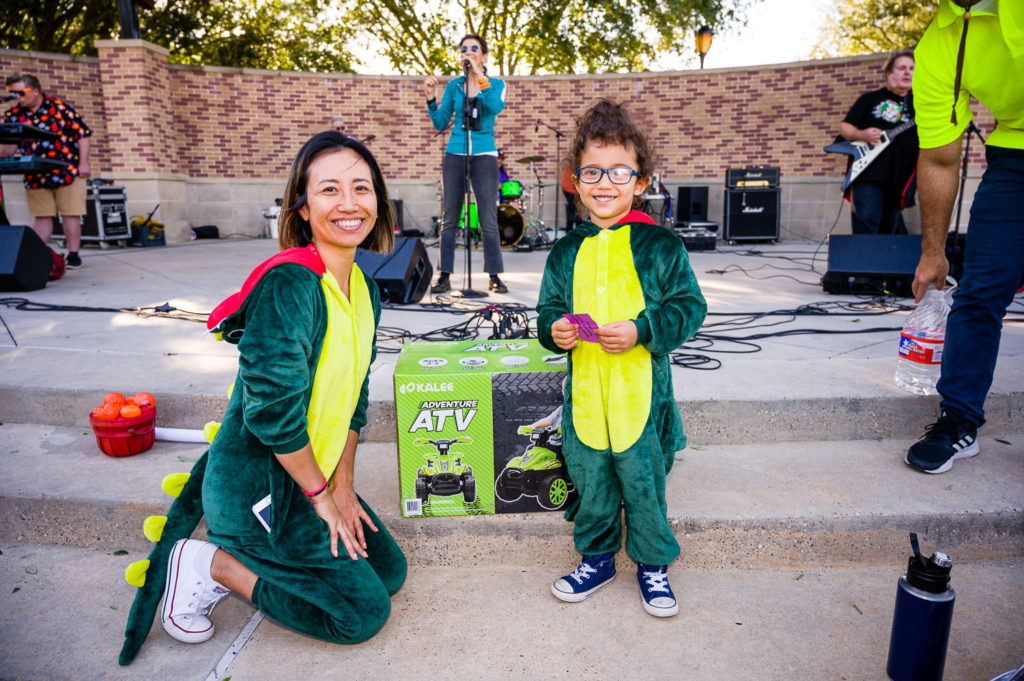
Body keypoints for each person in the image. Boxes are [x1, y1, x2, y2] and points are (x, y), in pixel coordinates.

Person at [117, 133, 406, 663]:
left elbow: (354, 400)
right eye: (329, 190)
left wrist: (344, 487)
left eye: (361, 188)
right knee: (359, 616)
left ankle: (269, 545)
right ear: (302, 205)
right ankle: (214, 564)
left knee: (389, 573)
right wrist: (322, 498)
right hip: (262, 486)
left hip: (311, 475)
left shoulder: (362, 288)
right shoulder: (290, 287)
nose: (349, 203)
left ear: (379, 202)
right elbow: (272, 416)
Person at [536, 99, 707, 617]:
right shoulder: (565, 252)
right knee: (592, 483)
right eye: (592, 171)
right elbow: (545, 312)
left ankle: (653, 563)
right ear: (575, 181)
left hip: (640, 400)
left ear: (640, 180)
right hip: (586, 398)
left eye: (617, 172)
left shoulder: (660, 245)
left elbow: (689, 307)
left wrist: (642, 330)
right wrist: (555, 330)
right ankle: (597, 558)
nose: (603, 182)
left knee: (643, 483)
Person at [904, 0, 1024, 474]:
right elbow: (938, 158)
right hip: (1015, 151)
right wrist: (932, 253)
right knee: (979, 290)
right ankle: (959, 419)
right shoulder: (941, 43)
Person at [424, 33, 508, 294]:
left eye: (474, 48)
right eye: (464, 49)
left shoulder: (495, 83)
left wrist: (480, 76)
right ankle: (444, 275)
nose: (468, 52)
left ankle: (494, 275)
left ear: (483, 55)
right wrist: (430, 96)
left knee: (487, 217)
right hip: (455, 154)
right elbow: (440, 122)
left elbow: (495, 107)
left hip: (484, 155)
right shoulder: (454, 86)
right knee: (450, 217)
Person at [1, 73, 92, 269]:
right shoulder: (13, 115)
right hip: (35, 174)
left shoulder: (60, 109)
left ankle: (73, 255)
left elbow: (83, 135)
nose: (17, 97)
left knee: (70, 214)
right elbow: (8, 148)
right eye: (13, 93)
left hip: (67, 170)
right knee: (42, 216)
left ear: (35, 91)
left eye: (21, 92)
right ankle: (31, 257)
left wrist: (83, 163)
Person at [837, 51, 918, 235]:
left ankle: (883, 264)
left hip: (900, 178)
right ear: (889, 73)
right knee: (867, 223)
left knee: (890, 229)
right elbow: (844, 127)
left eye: (912, 69)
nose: (907, 72)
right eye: (901, 68)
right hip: (869, 174)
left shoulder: (920, 106)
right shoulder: (870, 99)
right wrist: (861, 134)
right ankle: (862, 263)